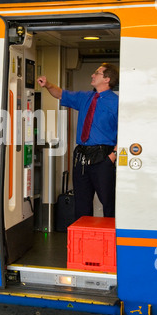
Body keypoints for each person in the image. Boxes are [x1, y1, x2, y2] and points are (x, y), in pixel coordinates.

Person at [37, 63, 119, 220]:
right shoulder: (85, 97)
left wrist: (113, 156)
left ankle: (113, 241)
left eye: (97, 73)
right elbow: (60, 94)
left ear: (107, 79)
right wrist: (47, 85)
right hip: (81, 156)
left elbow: (125, 130)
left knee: (109, 203)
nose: (92, 75)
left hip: (104, 156)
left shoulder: (116, 103)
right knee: (82, 203)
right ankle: (83, 240)